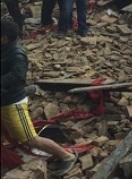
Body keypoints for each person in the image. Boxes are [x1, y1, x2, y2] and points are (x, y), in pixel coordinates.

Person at [1, 20, 78, 176]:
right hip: (3, 100)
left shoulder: (17, 55)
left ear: (4, 38)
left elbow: (17, 77)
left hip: (12, 103)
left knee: (31, 139)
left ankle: (67, 156)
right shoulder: (3, 49)